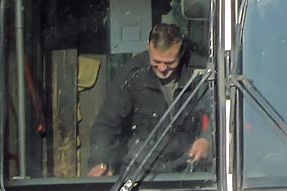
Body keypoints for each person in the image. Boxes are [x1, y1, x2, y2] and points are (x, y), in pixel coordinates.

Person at [87, 23, 212, 177]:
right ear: (148, 47)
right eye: (156, 62)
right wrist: (100, 161)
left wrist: (208, 140)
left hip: (188, 170)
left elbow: (219, 114)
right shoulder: (132, 74)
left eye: (169, 63)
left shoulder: (202, 74)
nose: (162, 68)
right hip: (139, 171)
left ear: (181, 51)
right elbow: (107, 123)